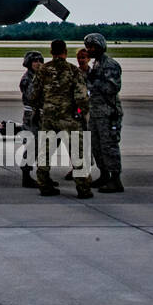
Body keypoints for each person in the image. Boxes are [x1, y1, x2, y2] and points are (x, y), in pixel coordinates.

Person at [29, 39, 92, 198]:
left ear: (51, 52)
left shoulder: (43, 70)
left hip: (49, 116)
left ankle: (44, 186)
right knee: (77, 154)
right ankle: (83, 189)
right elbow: (82, 97)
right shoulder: (73, 70)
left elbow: (33, 94)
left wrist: (42, 107)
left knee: (45, 153)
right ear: (65, 52)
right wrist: (81, 113)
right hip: (69, 117)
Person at [84, 33, 124, 193]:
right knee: (96, 145)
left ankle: (116, 179)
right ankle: (104, 175)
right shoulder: (97, 64)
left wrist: (92, 82)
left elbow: (112, 88)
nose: (89, 50)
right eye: (88, 47)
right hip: (96, 112)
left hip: (108, 113)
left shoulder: (110, 65)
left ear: (100, 46)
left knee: (109, 146)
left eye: (92, 47)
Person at [18, 51, 44, 188]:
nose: (38, 63)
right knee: (31, 145)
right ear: (29, 63)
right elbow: (32, 97)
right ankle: (26, 176)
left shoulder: (39, 77)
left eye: (40, 61)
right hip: (31, 116)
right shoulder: (28, 79)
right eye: (35, 61)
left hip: (40, 115)